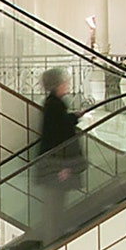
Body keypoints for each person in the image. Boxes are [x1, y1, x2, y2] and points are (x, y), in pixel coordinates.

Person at [34, 67, 83, 229]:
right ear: (57, 85)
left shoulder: (53, 105)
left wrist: (72, 117)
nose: (66, 84)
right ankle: (54, 243)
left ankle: (53, 240)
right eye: (64, 82)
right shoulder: (55, 107)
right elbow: (58, 137)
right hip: (56, 168)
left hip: (53, 167)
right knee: (55, 209)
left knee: (54, 208)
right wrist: (65, 166)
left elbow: (58, 129)